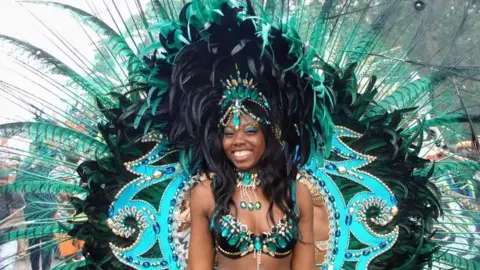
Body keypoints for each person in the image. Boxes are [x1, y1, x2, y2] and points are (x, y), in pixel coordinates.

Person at [0, 161, 25, 270]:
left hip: (8, 236)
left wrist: (22, 245)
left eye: (3, 180)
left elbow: (18, 218)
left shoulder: (13, 192)